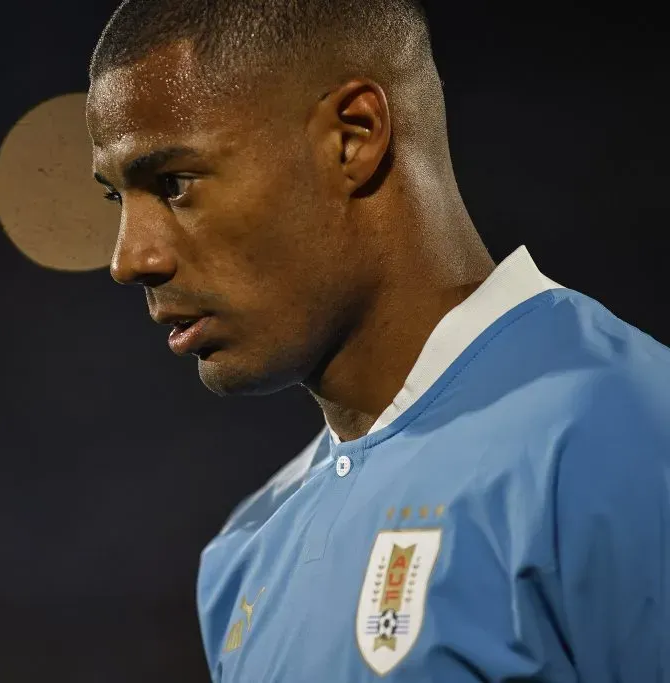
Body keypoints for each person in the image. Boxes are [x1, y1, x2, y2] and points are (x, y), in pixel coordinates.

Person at [85, 0, 670, 680]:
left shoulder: (620, 431)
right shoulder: (244, 555)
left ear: (353, 136)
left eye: (173, 183)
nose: (130, 259)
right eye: (117, 200)